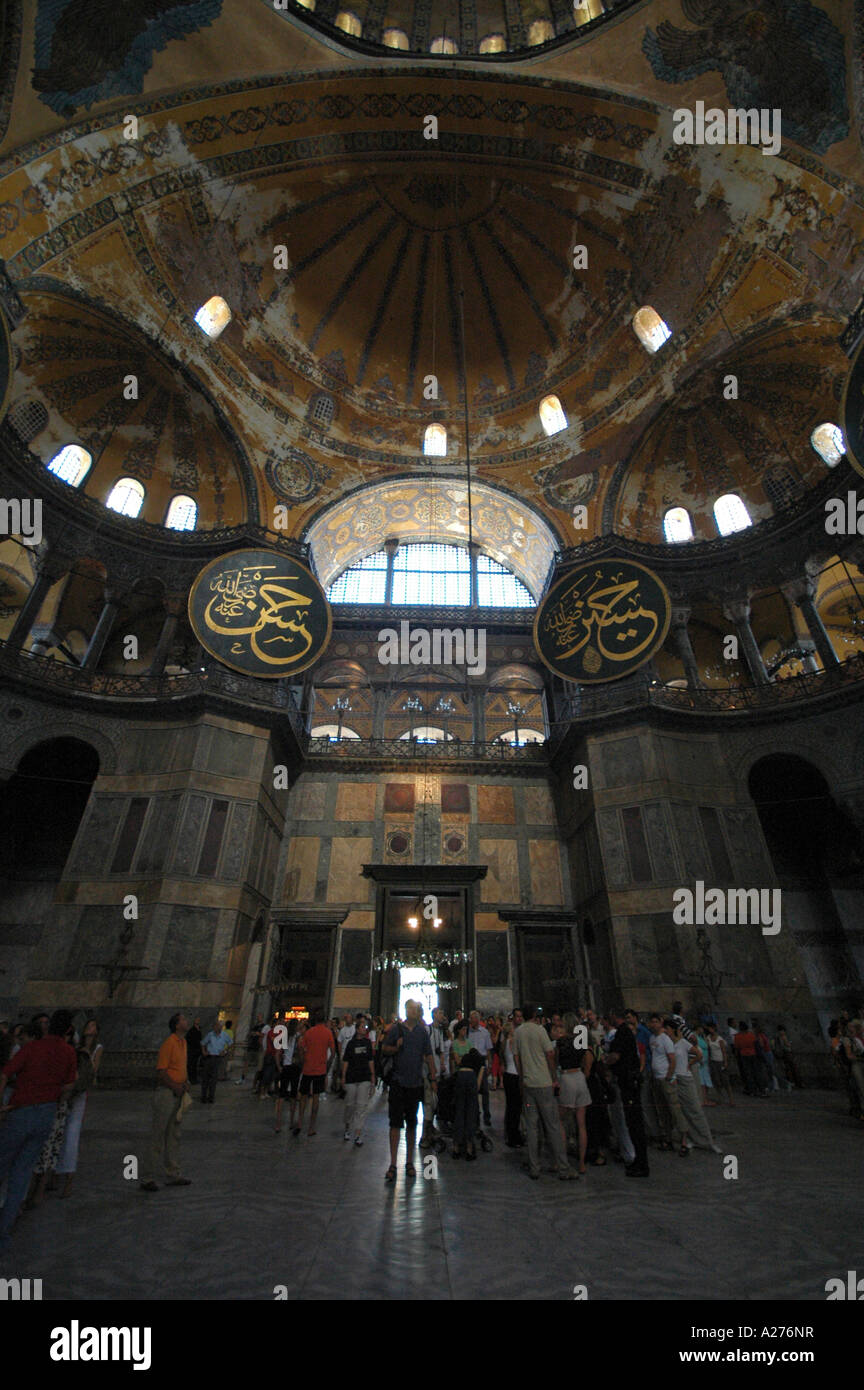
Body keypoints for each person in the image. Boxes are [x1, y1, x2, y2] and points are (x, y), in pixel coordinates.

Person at [0, 1008, 77, 1248]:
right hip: (46, 1113)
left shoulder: (33, 1048)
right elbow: (69, 1085)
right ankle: (2, 1234)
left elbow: (5, 1073)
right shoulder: (68, 1052)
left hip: (21, 1110)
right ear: (67, 1031)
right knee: (22, 1174)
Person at [513, 1005, 575, 1181]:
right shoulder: (540, 1031)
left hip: (528, 1084)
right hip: (544, 1084)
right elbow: (549, 1054)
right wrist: (554, 1076)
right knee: (553, 1126)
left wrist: (521, 1078)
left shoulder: (518, 1032)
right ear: (534, 1015)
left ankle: (534, 1167)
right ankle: (563, 1168)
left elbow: (517, 1057)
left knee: (532, 1128)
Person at [381, 999, 437, 1182]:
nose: (416, 1011)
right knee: (395, 1124)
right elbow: (384, 1049)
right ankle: (393, 1163)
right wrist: (395, 1047)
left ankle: (410, 1162)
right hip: (398, 1082)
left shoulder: (422, 1031)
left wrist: (433, 1077)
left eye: (417, 1009)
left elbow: (428, 1055)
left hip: (415, 1084)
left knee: (412, 1124)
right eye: (413, 1009)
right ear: (406, 1010)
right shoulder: (396, 1029)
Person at [140, 1013, 192, 1193]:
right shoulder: (168, 1043)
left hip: (178, 1093)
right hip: (166, 1094)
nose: (187, 1021)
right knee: (158, 1135)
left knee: (174, 1136)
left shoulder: (183, 1043)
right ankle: (147, 1177)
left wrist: (185, 1083)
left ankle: (173, 1173)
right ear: (177, 1025)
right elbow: (161, 1071)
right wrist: (175, 1085)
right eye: (184, 1019)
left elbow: (180, 1068)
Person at [663, 1019, 722, 1155]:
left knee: (695, 1110)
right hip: (674, 1078)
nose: (666, 1031)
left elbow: (698, 1054)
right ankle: (689, 1138)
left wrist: (689, 1064)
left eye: (667, 1028)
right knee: (681, 1112)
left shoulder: (682, 1043)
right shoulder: (668, 1044)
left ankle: (708, 1140)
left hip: (685, 1078)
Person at [605, 1009, 649, 1177]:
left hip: (629, 1083)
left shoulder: (622, 1033)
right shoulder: (626, 1033)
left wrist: (605, 1062)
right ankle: (639, 1160)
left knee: (634, 1123)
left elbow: (615, 1056)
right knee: (633, 1122)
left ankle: (641, 1163)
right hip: (629, 1082)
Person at [552, 1020, 591, 1174]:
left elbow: (555, 1063)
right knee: (581, 1124)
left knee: (560, 1121)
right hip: (580, 1077)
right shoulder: (580, 1041)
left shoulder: (560, 1043)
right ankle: (581, 1163)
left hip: (567, 1077)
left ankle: (561, 1160)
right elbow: (586, 1058)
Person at [296, 1008, 333, 1137]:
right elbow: (333, 1052)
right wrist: (327, 1065)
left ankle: (299, 1122)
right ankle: (311, 1127)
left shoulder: (309, 1032)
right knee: (316, 1098)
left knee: (303, 1097)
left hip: (307, 1068)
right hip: (320, 1070)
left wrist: (302, 1061)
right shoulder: (328, 1033)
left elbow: (301, 1047)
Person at [341, 1016, 376, 1146]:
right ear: (357, 1029)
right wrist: (343, 1076)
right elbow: (346, 1061)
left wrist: (373, 1075)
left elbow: (370, 1060)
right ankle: (347, 1127)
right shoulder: (351, 1044)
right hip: (351, 1077)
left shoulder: (367, 1043)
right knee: (350, 1105)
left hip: (364, 1077)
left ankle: (358, 1134)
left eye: (365, 1027)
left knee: (361, 1106)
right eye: (362, 1027)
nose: (364, 1029)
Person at [451, 1024, 484, 1160]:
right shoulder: (458, 1044)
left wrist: (462, 1058)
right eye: (464, 1028)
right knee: (469, 1111)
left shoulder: (468, 1044)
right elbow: (458, 1061)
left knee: (460, 1111)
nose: (465, 1031)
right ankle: (467, 1147)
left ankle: (458, 1146)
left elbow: (459, 1061)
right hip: (468, 1078)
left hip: (461, 1077)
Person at [421, 1007, 450, 1149]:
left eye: (443, 1013)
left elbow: (441, 1051)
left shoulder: (440, 1031)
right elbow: (425, 1052)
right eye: (440, 1013)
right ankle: (425, 1136)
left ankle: (430, 1130)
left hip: (438, 1073)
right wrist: (430, 1072)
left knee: (433, 1103)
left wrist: (442, 1065)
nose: (442, 1015)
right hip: (429, 1073)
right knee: (428, 1103)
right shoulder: (428, 1030)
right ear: (434, 1015)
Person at [467, 1009, 494, 1128]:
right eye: (470, 1018)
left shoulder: (485, 1032)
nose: (471, 1020)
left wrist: (490, 1064)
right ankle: (475, 1114)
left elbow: (488, 1050)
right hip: (472, 1062)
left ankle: (487, 1115)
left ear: (477, 1020)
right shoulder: (467, 1032)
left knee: (485, 1091)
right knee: (473, 1090)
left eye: (473, 1018)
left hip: (482, 1061)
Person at [274, 1019, 301, 1135]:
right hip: (295, 1068)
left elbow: (278, 1053)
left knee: (281, 1095)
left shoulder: (284, 1037)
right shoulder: (299, 1037)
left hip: (286, 1067)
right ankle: (291, 1121)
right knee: (293, 1096)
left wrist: (279, 1066)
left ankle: (278, 1123)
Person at [501, 1014, 524, 1148]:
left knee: (510, 1107)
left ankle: (511, 1134)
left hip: (508, 1075)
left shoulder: (504, 1042)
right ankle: (514, 1135)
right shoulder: (513, 1041)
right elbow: (517, 1058)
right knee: (516, 1108)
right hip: (515, 1075)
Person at [199, 1018, 231, 1104]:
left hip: (217, 1058)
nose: (218, 1028)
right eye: (216, 1026)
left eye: (220, 1026)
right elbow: (202, 1043)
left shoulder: (224, 1035)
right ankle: (203, 1096)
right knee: (205, 1078)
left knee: (214, 1079)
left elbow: (231, 1043)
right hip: (209, 1057)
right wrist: (204, 1052)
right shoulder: (210, 1035)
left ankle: (211, 1097)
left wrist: (225, 1051)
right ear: (214, 1027)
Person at [706, 1023, 735, 1105]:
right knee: (716, 1080)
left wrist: (725, 1062)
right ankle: (720, 1097)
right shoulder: (708, 1038)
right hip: (713, 1061)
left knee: (725, 1080)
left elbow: (723, 1051)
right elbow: (708, 1049)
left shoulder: (720, 1039)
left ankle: (731, 1098)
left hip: (720, 1061)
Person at [775, 1024, 802, 1090]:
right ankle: (796, 1083)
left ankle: (792, 1082)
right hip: (787, 1053)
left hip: (785, 1053)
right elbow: (787, 1044)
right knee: (792, 1067)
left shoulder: (779, 1037)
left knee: (789, 1068)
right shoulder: (783, 1037)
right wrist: (789, 1043)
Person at [241, 1014, 264, 1085]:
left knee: (259, 1065)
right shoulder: (254, 1026)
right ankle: (243, 1077)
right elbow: (251, 1033)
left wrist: (258, 1034)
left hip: (258, 1047)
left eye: (260, 1017)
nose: (258, 1018)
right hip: (251, 1046)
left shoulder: (264, 1027)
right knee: (246, 1062)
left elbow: (263, 1035)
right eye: (258, 1017)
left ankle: (257, 1081)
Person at [186, 1018, 202, 1086]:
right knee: (191, 1065)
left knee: (194, 1065)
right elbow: (188, 1039)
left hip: (196, 1051)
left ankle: (194, 1079)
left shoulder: (198, 1030)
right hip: (192, 1050)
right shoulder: (192, 1031)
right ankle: (191, 1079)